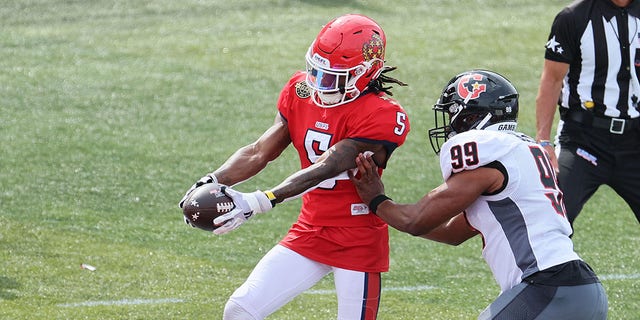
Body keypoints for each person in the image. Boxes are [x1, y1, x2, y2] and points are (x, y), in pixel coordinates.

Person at [179, 14, 410, 320]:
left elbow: (329, 165)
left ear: (365, 72)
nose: (319, 83)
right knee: (240, 310)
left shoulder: (381, 113)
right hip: (310, 230)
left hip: (357, 240)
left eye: (332, 77)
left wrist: (261, 200)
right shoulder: (300, 91)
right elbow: (259, 151)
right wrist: (211, 180)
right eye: (316, 71)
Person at [349, 70, 608, 319]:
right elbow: (452, 231)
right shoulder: (518, 154)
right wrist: (388, 211)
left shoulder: (491, 160)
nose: (450, 126)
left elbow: (415, 220)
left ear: (472, 118)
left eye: (454, 115)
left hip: (548, 286)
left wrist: (376, 199)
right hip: (582, 290)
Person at [535, 0, 640, 227]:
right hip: (583, 139)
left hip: (634, 140)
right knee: (554, 219)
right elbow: (551, 80)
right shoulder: (573, 17)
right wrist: (543, 141)